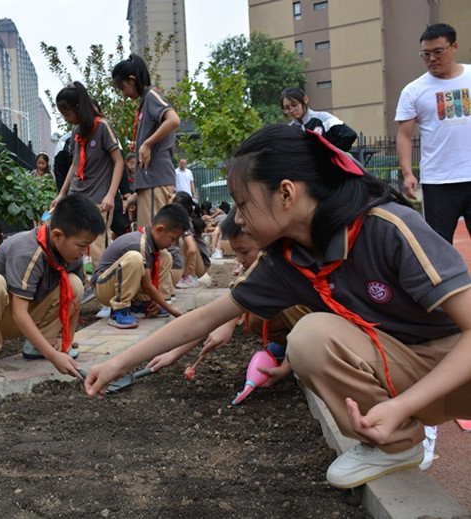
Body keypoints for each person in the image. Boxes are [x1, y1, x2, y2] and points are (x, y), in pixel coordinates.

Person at [85, 124, 471, 489]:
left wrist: (402, 406)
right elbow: (204, 318)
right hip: (404, 369)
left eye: (243, 203)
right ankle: (395, 445)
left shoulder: (386, 227)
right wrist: (118, 363)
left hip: (457, 372)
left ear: (286, 193)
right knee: (311, 338)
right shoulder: (287, 262)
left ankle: (397, 424)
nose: (237, 218)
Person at [148, 206, 306, 371]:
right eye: (236, 252)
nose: (240, 260)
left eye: (244, 252)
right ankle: (286, 344)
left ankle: (294, 351)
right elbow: (211, 317)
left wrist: (285, 368)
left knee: (268, 317)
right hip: (301, 331)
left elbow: (310, 321)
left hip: (312, 333)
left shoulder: (290, 269)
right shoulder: (252, 270)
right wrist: (173, 353)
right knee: (254, 319)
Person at [0, 194, 105, 377]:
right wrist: (52, 355)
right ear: (57, 235)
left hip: (28, 313)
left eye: (88, 246)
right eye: (81, 245)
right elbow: (18, 312)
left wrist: (65, 341)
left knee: (74, 284)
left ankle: (38, 346)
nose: (84, 252)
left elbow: (73, 299)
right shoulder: (28, 251)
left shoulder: (71, 255)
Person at [396, 23, 471, 244]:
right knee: (438, 245)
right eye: (425, 54)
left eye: (438, 52)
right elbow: (404, 135)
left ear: (454, 46)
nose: (431, 59)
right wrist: (407, 173)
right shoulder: (413, 90)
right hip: (438, 181)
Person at [53, 82, 125, 269]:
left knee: (97, 248)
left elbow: (119, 161)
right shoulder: (76, 131)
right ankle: (82, 280)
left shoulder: (103, 126)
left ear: (78, 108)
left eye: (67, 114)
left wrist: (110, 195)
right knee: (75, 246)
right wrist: (62, 194)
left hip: (98, 200)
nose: (66, 119)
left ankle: (99, 282)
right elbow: (75, 164)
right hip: (77, 197)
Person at [90, 203, 188, 329]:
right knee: (135, 258)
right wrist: (171, 310)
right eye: (172, 239)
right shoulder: (139, 245)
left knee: (166, 256)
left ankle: (140, 304)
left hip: (116, 285)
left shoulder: (150, 242)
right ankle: (119, 309)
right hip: (103, 287)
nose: (173, 244)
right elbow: (148, 286)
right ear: (159, 230)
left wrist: (158, 302)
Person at [112, 54, 181, 229]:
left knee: (153, 237)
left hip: (156, 180)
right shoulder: (145, 101)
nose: (124, 94)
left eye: (123, 87)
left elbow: (173, 120)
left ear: (132, 79)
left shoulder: (152, 96)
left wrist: (147, 144)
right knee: (149, 236)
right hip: (150, 183)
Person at [281, 87, 357, 151]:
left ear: (305, 99)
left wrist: (332, 156)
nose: (291, 110)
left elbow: (349, 135)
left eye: (294, 105)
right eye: (287, 108)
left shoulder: (323, 118)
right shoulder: (289, 129)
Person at [172, 192, 209, 288]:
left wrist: (184, 273)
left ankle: (190, 277)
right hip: (197, 263)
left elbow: (192, 249)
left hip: (200, 265)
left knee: (184, 240)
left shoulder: (185, 223)